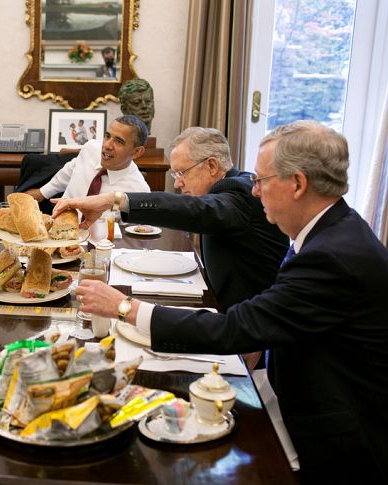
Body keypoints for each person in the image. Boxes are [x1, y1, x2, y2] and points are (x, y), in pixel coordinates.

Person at [72, 121, 388, 482]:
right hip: (289, 381)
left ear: (298, 184)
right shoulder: (335, 231)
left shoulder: (330, 254)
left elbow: (239, 327)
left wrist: (124, 307)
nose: (256, 191)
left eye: (263, 181)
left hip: (336, 441)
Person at [54, 127, 289, 311]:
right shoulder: (232, 189)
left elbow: (195, 210)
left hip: (248, 334)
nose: (177, 183)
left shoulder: (240, 195)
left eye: (181, 173)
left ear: (211, 165)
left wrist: (114, 200)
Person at [25, 115, 151, 202]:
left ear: (136, 152)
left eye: (119, 141)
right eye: (107, 136)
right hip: (61, 226)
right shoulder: (92, 148)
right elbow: (70, 169)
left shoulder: (139, 192)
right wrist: (42, 193)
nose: (107, 145)